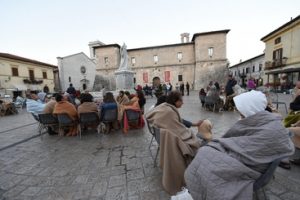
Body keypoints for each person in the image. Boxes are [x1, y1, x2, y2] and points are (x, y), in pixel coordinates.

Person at [184, 90, 294, 200]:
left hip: (250, 165)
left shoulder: (270, 128)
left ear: (250, 108)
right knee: (205, 151)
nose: (240, 115)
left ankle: (199, 190)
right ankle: (199, 188)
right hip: (245, 157)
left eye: (241, 112)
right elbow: (243, 142)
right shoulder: (264, 121)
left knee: (205, 155)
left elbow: (248, 150)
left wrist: (225, 148)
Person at [146, 91, 212, 195]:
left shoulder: (165, 108)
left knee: (190, 133)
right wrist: (190, 133)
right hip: (175, 140)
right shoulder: (169, 112)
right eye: (181, 100)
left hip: (163, 138)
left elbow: (179, 121)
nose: (183, 103)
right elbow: (180, 130)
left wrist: (194, 124)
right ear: (175, 101)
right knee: (194, 139)